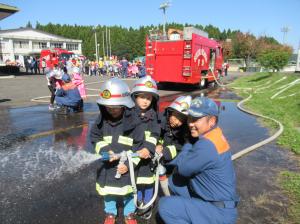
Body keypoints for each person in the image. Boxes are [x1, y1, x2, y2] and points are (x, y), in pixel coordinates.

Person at [158, 97, 239, 224]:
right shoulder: (215, 133)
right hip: (221, 202)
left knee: (165, 206)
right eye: (190, 118)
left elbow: (183, 168)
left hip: (219, 213)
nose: (190, 123)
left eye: (196, 119)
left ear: (212, 120)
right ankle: (195, 212)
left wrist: (189, 141)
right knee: (175, 182)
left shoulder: (206, 145)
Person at [89, 78, 140, 224]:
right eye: (108, 107)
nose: (111, 110)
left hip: (127, 167)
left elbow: (139, 145)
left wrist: (131, 164)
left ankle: (129, 213)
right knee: (108, 191)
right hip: (107, 167)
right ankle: (110, 212)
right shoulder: (101, 120)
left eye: (115, 107)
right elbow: (95, 137)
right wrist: (105, 150)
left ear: (125, 105)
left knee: (129, 191)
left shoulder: (134, 122)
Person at [131, 76, 160, 219]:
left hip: (148, 156)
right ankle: (138, 202)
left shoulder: (153, 116)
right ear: (135, 97)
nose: (145, 101)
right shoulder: (129, 114)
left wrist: (148, 148)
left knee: (148, 182)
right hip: (134, 156)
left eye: (149, 98)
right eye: (142, 97)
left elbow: (155, 133)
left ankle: (147, 204)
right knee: (135, 181)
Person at [155, 95, 192, 165]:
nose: (177, 122)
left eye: (182, 120)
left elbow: (183, 148)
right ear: (170, 112)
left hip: (172, 164)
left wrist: (167, 151)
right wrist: (157, 144)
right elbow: (153, 134)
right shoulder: (159, 121)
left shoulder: (186, 132)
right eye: (176, 117)